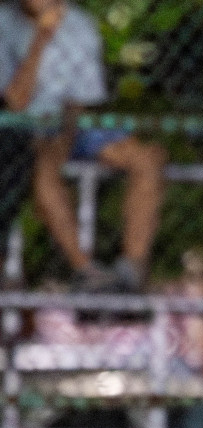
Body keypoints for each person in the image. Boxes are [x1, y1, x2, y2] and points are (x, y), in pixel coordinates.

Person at [0, 0, 165, 292]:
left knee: (147, 158)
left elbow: (82, 100)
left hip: (71, 123)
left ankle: (132, 267)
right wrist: (41, 39)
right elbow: (15, 101)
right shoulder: (4, 23)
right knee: (43, 165)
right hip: (22, 128)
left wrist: (65, 135)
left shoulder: (79, 25)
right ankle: (85, 269)